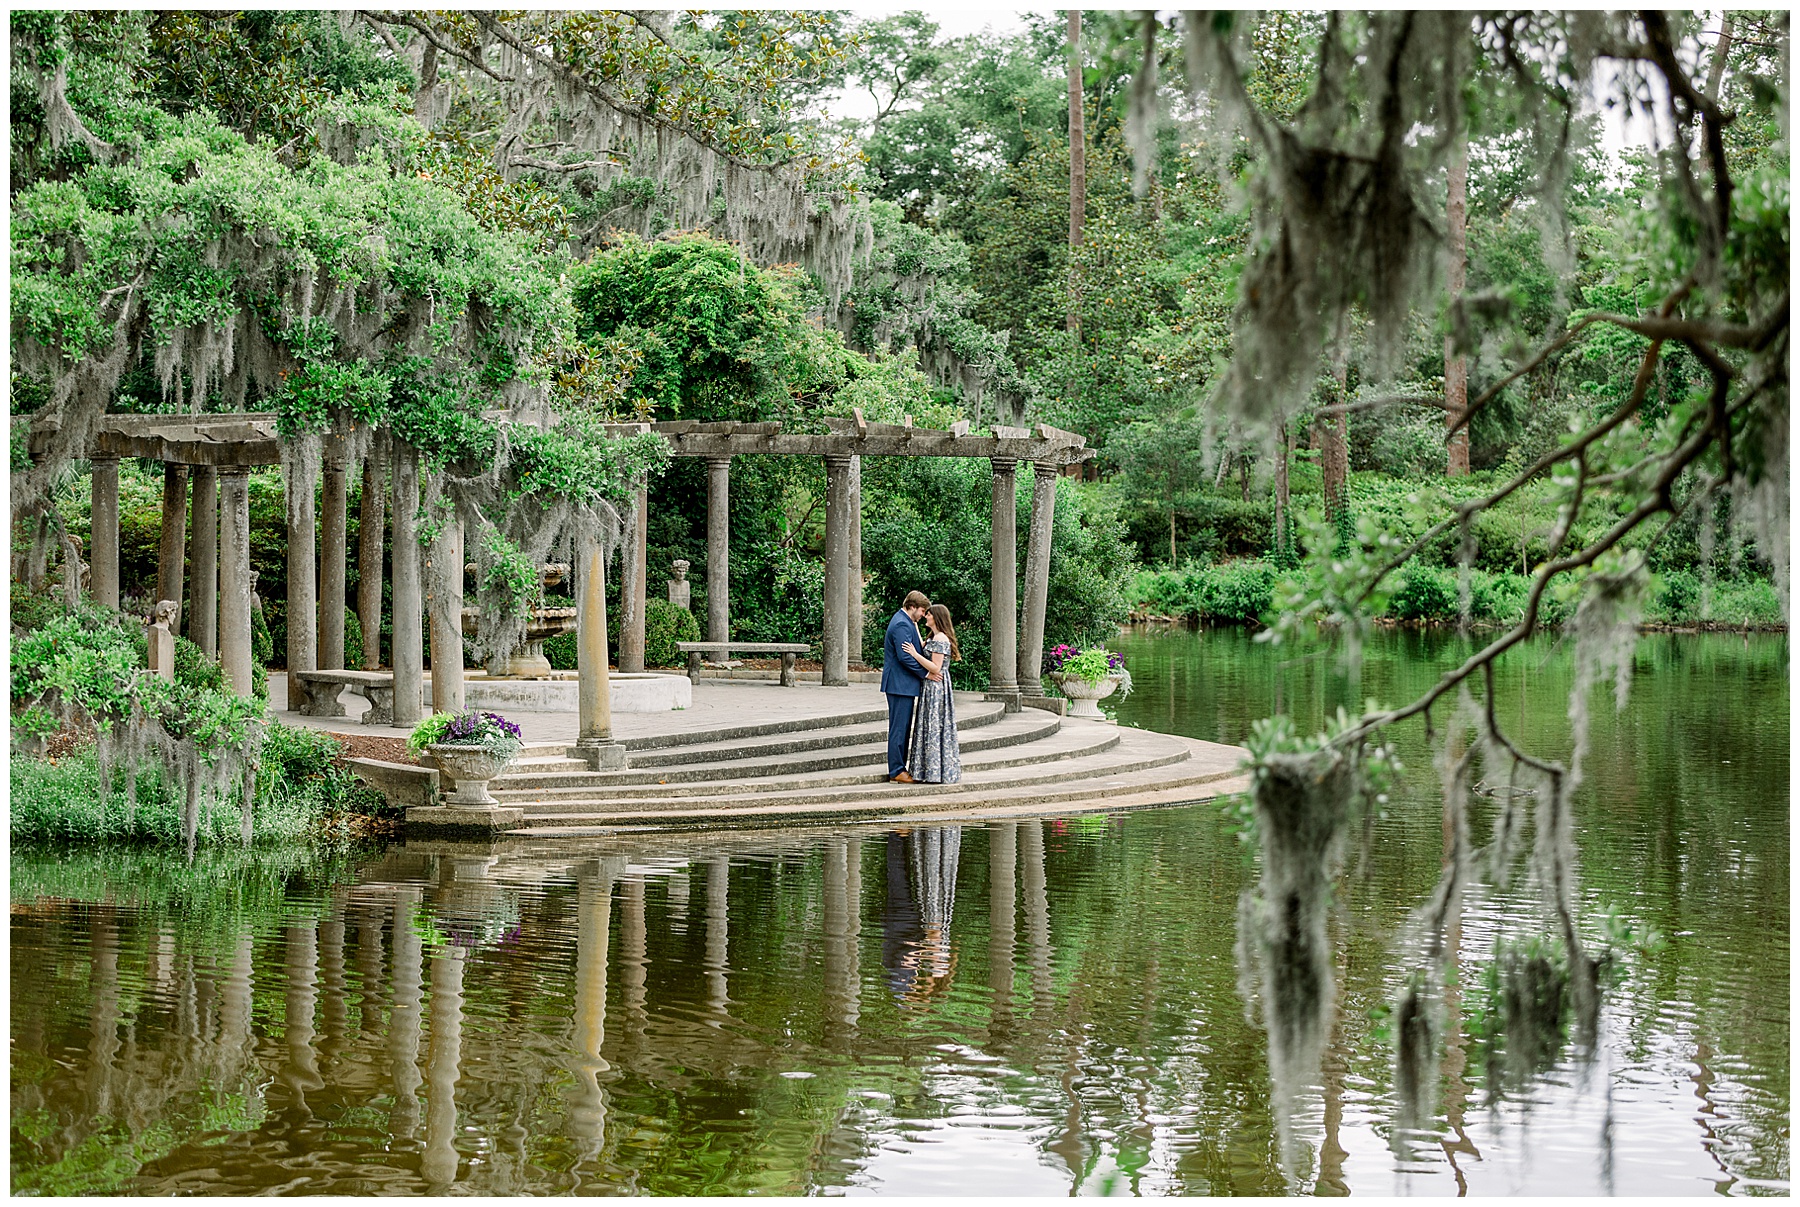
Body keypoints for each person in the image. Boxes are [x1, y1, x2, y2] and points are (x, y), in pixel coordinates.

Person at [880, 590, 938, 783]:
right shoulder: (901, 624)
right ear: (912, 607)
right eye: (922, 611)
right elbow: (905, 656)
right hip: (899, 684)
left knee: (903, 727)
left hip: (903, 684)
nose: (923, 615)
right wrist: (926, 673)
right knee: (899, 728)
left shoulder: (908, 622)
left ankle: (900, 767)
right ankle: (896, 770)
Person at [901, 603, 963, 784]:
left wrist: (914, 654)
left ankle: (936, 771)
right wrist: (913, 626)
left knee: (935, 724)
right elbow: (923, 645)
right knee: (929, 724)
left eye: (928, 614)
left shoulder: (941, 639)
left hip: (937, 687)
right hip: (930, 686)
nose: (926, 616)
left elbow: (936, 667)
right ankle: (928, 770)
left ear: (936, 617)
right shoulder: (934, 637)